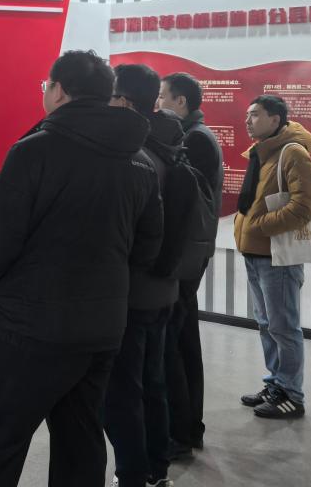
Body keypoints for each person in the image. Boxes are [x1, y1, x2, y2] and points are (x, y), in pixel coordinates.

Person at [0, 50, 163, 487]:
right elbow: (148, 248)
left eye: (46, 86)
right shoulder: (140, 161)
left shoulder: (36, 150)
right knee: (81, 443)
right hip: (102, 329)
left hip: (30, 328)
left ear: (58, 90)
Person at [105, 64, 189, 487]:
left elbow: (130, 234)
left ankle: (134, 475)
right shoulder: (171, 144)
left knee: (124, 390)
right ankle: (157, 469)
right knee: (153, 383)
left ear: (123, 101)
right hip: (165, 286)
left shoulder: (136, 155)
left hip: (134, 292)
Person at [235, 94, 311, 419]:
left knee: (284, 328)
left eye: (255, 114)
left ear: (275, 119)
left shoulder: (292, 152)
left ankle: (292, 395)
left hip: (277, 257)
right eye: (248, 114)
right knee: (267, 325)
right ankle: (276, 384)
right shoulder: (262, 152)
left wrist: (259, 226)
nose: (248, 120)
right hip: (256, 253)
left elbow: (304, 206)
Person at [158, 72, 223, 455]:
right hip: (189, 253)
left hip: (184, 255)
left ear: (180, 101)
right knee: (182, 342)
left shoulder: (195, 139)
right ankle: (187, 427)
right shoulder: (197, 135)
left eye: (163, 96)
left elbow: (184, 203)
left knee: (176, 347)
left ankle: (181, 430)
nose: (158, 103)